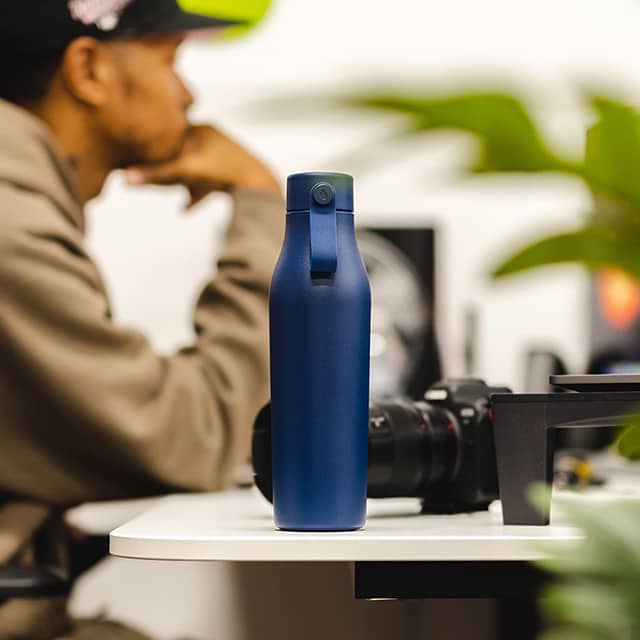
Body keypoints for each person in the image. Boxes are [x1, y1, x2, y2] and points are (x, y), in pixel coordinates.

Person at [0, 1, 284, 637]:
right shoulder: (11, 230)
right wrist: (263, 200)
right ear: (89, 70)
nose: (188, 94)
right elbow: (199, 436)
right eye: (170, 61)